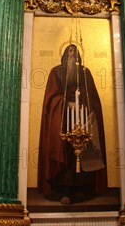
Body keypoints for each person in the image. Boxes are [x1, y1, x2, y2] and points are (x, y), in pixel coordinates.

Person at [38, 44, 107, 204]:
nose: (72, 54)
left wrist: (84, 105)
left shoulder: (84, 72)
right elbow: (51, 98)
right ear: (64, 54)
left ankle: (82, 188)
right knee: (65, 154)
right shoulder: (56, 72)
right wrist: (66, 104)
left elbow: (92, 96)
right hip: (62, 121)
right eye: (69, 51)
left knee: (84, 150)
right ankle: (65, 191)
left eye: (75, 51)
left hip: (82, 118)